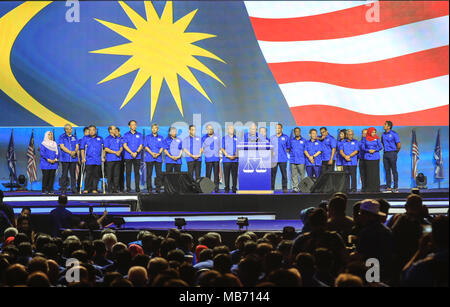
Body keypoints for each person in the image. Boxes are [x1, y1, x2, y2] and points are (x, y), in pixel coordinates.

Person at [356, 199, 394, 281]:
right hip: (385, 272)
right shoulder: (387, 231)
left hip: (370, 272)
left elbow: (361, 255)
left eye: (362, 213)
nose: (360, 216)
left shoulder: (366, 232)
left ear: (369, 215)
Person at [80, 125, 104, 194]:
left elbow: (103, 149)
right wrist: (83, 158)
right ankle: (87, 188)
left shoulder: (100, 138)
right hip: (88, 160)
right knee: (88, 175)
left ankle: (94, 189)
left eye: (93, 130)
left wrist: (103, 157)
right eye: (90, 130)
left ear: (95, 130)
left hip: (97, 160)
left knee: (96, 175)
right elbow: (82, 149)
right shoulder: (85, 138)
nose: (91, 131)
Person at [122, 120, 143, 193]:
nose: (134, 126)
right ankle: (128, 188)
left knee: (137, 172)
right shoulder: (126, 135)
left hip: (137, 156)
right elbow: (124, 145)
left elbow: (141, 145)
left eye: (135, 124)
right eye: (132, 124)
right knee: (128, 172)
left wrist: (136, 152)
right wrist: (131, 153)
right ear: (129, 126)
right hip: (128, 156)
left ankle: (137, 188)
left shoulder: (139, 134)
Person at [58, 124, 79, 194]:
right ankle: (63, 188)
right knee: (64, 174)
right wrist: (70, 152)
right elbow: (62, 147)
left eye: (71, 129)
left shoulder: (74, 137)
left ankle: (74, 188)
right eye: (70, 129)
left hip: (73, 159)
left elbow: (77, 146)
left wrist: (75, 152)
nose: (71, 130)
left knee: (73, 174)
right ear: (66, 130)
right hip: (65, 158)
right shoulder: (62, 137)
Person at [381, 121, 401, 193]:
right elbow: (382, 143)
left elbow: (398, 145)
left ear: (389, 126)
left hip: (392, 153)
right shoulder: (383, 134)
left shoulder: (394, 134)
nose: (383, 125)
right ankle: (388, 187)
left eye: (385, 124)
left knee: (394, 170)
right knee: (387, 171)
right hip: (385, 154)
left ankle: (395, 187)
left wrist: (395, 152)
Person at [361, 127, 383, 193]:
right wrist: (368, 150)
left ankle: (376, 188)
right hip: (367, 157)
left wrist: (375, 150)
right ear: (369, 132)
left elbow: (380, 147)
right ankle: (369, 188)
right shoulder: (365, 139)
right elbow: (363, 147)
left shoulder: (377, 138)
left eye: (374, 132)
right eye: (372, 132)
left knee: (375, 173)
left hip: (375, 157)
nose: (374, 133)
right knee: (368, 173)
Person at [270, 123, 290, 193]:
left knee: (284, 174)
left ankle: (284, 188)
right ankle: (272, 188)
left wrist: (283, 152)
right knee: (272, 175)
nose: (277, 129)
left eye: (279, 128)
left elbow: (288, 148)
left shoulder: (286, 137)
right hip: (274, 159)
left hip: (283, 159)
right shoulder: (272, 137)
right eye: (276, 128)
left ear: (282, 129)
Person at [144, 124, 164, 193]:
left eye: (155, 128)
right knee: (149, 174)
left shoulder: (161, 137)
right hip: (149, 157)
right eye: (153, 128)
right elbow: (146, 147)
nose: (154, 129)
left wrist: (158, 154)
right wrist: (152, 153)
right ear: (151, 129)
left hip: (158, 158)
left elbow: (162, 147)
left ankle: (158, 188)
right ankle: (149, 188)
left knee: (158, 174)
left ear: (157, 129)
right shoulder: (147, 137)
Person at [104, 125, 123, 194]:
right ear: (110, 130)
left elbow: (121, 147)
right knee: (110, 175)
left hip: (118, 159)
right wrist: (115, 152)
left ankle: (116, 188)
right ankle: (110, 189)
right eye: (114, 129)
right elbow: (106, 148)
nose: (115, 130)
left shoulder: (118, 138)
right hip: (110, 159)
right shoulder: (107, 139)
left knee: (116, 175)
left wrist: (119, 152)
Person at [202, 125, 221, 193]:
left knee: (216, 175)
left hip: (216, 158)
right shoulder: (204, 137)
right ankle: (207, 189)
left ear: (213, 129)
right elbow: (202, 148)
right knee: (208, 175)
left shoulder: (217, 137)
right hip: (208, 158)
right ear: (207, 129)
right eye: (209, 129)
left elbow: (220, 146)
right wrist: (205, 153)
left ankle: (216, 189)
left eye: (211, 129)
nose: (210, 130)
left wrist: (220, 155)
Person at [221, 125, 239, 193]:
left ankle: (234, 188)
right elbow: (222, 148)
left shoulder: (237, 138)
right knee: (226, 175)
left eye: (233, 129)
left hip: (235, 159)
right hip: (226, 160)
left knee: (234, 175)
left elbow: (239, 148)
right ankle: (227, 188)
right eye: (230, 128)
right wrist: (227, 155)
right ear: (228, 130)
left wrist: (235, 155)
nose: (232, 130)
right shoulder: (224, 138)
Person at [289, 127, 306, 193]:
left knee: (302, 175)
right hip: (293, 160)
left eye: (298, 131)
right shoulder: (291, 140)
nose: (297, 132)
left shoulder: (304, 140)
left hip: (301, 160)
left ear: (300, 132)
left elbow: (306, 150)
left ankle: (302, 188)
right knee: (294, 175)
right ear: (294, 132)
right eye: (296, 131)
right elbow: (289, 148)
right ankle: (295, 188)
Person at [116, 127, 125, 193]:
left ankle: (121, 187)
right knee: (115, 173)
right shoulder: (112, 138)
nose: (115, 133)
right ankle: (115, 187)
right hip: (114, 157)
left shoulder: (123, 139)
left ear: (119, 132)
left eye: (116, 131)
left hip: (122, 157)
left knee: (121, 173)